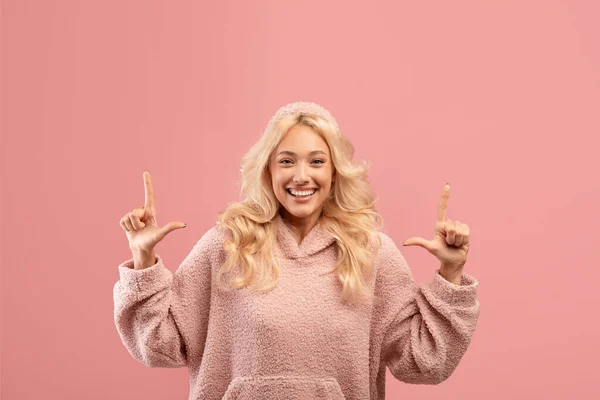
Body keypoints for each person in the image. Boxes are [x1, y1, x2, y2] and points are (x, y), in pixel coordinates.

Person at [113, 101, 480, 400]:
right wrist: (143, 262)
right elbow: (159, 345)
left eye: (316, 161)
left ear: (334, 172)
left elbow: (424, 362)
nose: (301, 176)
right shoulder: (227, 245)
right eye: (287, 161)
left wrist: (450, 276)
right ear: (268, 171)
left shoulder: (371, 253)